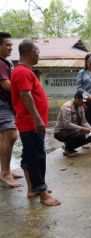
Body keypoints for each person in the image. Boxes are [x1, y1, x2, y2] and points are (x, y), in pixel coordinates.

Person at [11, 39, 60, 206]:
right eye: (37, 53)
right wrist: (37, 118)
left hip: (30, 122)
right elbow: (26, 95)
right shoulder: (22, 72)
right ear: (31, 53)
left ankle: (33, 188)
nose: (38, 56)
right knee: (37, 157)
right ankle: (43, 193)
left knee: (29, 155)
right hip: (31, 123)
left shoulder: (24, 71)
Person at [0, 32, 22, 187]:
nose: (10, 48)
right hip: (2, 104)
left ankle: (5, 170)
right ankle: (5, 173)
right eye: (7, 45)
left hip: (6, 104)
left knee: (4, 138)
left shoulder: (5, 62)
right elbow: (6, 85)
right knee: (11, 135)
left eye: (11, 45)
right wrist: (25, 90)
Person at [54, 91, 91, 157]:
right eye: (82, 100)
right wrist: (82, 129)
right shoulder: (67, 106)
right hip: (61, 132)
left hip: (73, 131)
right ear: (77, 98)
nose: (84, 102)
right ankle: (68, 149)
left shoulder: (81, 107)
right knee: (78, 135)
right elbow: (67, 124)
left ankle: (70, 147)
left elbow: (84, 122)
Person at [76, 53, 91, 145]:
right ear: (86, 62)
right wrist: (87, 96)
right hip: (85, 101)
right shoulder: (81, 72)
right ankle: (85, 142)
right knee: (86, 121)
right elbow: (79, 87)